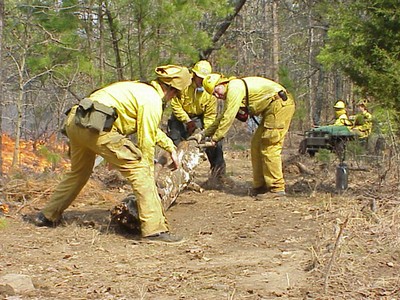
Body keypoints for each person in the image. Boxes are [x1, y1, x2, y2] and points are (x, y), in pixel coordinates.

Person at [34, 65, 192, 244]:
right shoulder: (152, 100)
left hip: (75, 122)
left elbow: (149, 129)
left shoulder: (138, 88)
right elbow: (146, 139)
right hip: (98, 128)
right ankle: (154, 230)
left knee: (79, 173)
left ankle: (47, 216)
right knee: (140, 170)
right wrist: (148, 170)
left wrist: (169, 146)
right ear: (173, 90)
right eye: (176, 95)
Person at [192, 73, 295, 199]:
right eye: (214, 94)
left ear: (222, 83)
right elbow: (222, 116)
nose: (217, 96)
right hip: (271, 109)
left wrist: (215, 139)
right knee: (256, 145)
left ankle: (277, 189)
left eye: (216, 90)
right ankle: (260, 186)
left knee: (269, 146)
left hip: (279, 106)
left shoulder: (234, 88)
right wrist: (204, 134)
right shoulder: (234, 90)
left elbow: (228, 117)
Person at [167, 60, 226, 179]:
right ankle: (174, 175)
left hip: (199, 118)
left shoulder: (210, 92)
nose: (202, 82)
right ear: (194, 75)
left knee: (214, 144)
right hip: (180, 117)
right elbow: (175, 105)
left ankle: (219, 175)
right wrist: (187, 120)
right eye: (200, 78)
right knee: (174, 142)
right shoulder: (183, 84)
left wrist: (206, 132)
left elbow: (210, 115)